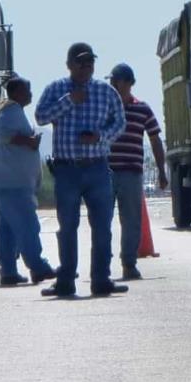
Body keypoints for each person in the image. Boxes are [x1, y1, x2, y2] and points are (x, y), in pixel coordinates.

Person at [34, 42, 127, 298]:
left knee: (102, 227)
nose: (86, 67)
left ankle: (101, 279)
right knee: (67, 227)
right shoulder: (56, 89)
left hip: (97, 167)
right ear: (69, 65)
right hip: (67, 170)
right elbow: (40, 116)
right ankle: (66, 280)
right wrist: (68, 102)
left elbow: (120, 122)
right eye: (81, 62)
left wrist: (100, 136)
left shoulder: (106, 91)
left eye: (90, 62)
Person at [0, 76, 57, 286]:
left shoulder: (5, 109)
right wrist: (29, 141)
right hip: (15, 182)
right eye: (27, 90)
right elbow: (4, 135)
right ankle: (38, 266)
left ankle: (8, 270)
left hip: (6, 180)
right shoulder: (12, 111)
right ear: (17, 92)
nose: (31, 94)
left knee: (7, 229)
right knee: (28, 225)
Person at [106, 63, 169, 280]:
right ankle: (102, 265)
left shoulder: (142, 108)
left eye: (116, 80)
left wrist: (162, 171)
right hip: (105, 172)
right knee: (101, 220)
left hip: (131, 172)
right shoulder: (104, 107)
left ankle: (129, 263)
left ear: (128, 83)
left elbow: (155, 139)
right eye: (111, 81)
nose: (113, 85)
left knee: (131, 220)